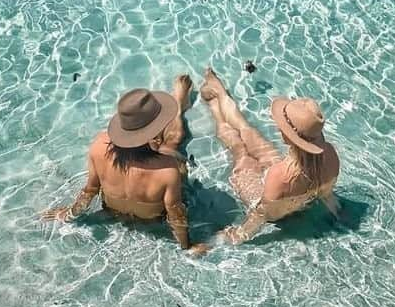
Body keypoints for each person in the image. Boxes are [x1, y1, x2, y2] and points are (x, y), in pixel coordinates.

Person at [42, 76, 208, 253]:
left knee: (168, 146)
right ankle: (179, 101)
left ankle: (179, 100)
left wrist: (68, 214)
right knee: (174, 143)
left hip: (112, 214)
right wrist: (187, 246)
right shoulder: (167, 170)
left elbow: (89, 191)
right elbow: (176, 215)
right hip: (152, 221)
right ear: (154, 130)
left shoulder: (99, 146)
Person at [200, 67, 343, 243]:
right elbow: (327, 194)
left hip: (263, 192)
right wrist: (337, 215)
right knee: (247, 131)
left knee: (239, 148)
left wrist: (231, 237)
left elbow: (261, 214)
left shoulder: (280, 176)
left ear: (287, 135)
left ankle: (216, 104)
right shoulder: (331, 155)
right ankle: (220, 95)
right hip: (285, 176)